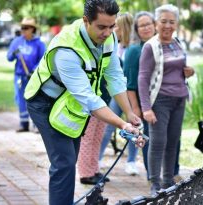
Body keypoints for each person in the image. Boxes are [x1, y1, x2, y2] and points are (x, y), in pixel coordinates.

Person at [24, 0, 145, 204]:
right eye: (101, 27)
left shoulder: (109, 37)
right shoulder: (66, 49)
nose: (108, 33)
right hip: (45, 103)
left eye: (111, 26)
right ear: (86, 21)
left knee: (69, 161)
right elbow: (87, 98)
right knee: (64, 163)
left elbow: (114, 75)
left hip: (70, 103)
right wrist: (122, 124)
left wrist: (129, 112)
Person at [138, 4, 195, 195]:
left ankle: (168, 181)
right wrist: (146, 108)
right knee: (158, 142)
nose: (167, 26)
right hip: (160, 101)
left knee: (173, 142)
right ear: (156, 23)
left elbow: (181, 69)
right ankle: (155, 183)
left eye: (171, 22)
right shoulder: (150, 46)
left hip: (179, 99)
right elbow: (143, 78)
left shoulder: (178, 42)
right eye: (163, 21)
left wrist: (189, 71)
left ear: (176, 24)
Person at [98, 13, 141, 176]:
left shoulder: (134, 48)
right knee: (108, 125)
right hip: (117, 93)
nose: (113, 29)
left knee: (132, 127)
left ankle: (131, 161)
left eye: (116, 26)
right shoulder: (114, 45)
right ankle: (98, 158)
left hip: (130, 93)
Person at [124, 11, 156, 179]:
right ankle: (152, 176)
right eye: (141, 25)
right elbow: (129, 84)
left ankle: (169, 174)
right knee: (148, 140)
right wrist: (136, 108)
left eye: (148, 24)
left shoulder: (162, 45)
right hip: (143, 104)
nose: (146, 28)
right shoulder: (134, 50)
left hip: (163, 101)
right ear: (136, 29)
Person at [7, 17, 45, 132]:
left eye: (26, 28)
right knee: (20, 99)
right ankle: (24, 124)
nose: (23, 30)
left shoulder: (39, 43)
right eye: (22, 28)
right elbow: (9, 57)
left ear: (32, 29)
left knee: (34, 100)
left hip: (33, 77)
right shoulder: (17, 41)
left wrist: (34, 70)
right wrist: (14, 53)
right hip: (20, 76)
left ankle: (36, 125)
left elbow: (43, 60)